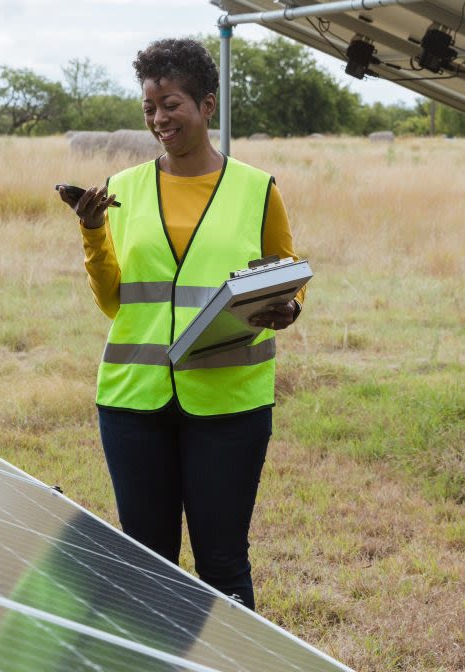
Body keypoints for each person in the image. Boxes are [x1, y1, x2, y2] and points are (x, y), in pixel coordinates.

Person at [58, 37, 305, 612]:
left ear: (207, 105)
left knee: (222, 563)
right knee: (147, 564)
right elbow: (115, 302)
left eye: (171, 104)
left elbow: (288, 271)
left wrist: (290, 307)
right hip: (132, 402)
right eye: (149, 107)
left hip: (229, 404)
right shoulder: (121, 190)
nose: (158, 119)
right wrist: (93, 233)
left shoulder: (257, 188)